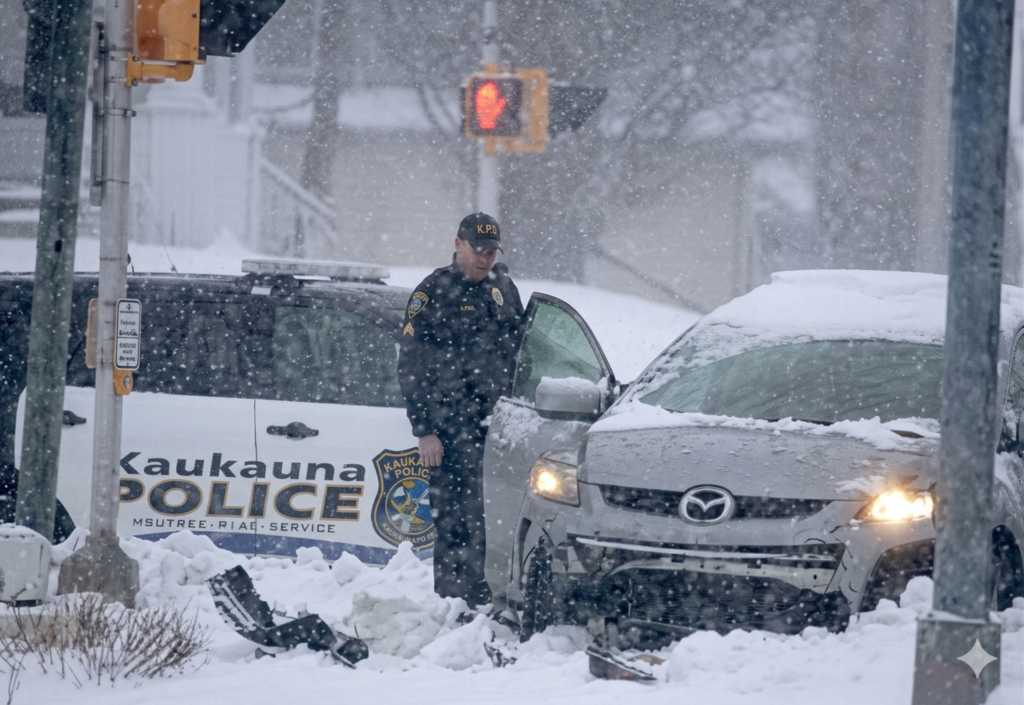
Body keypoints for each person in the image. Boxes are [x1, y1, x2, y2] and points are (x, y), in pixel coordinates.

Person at [397, 212, 524, 611]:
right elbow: (411, 365)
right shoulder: (433, 292)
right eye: (478, 250)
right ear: (458, 244)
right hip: (449, 432)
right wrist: (425, 430)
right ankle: (454, 605)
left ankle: (491, 601)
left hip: (498, 429)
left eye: (491, 251)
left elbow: (521, 352)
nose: (485, 258)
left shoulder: (503, 288)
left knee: (493, 520)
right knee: (454, 524)